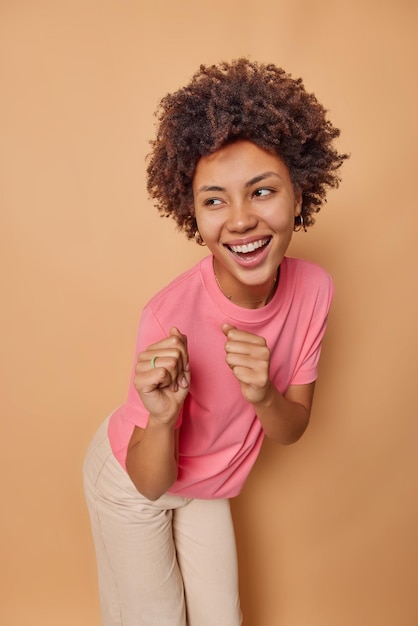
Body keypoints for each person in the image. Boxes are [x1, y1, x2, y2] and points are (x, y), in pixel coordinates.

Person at [83, 58, 347, 626]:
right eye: (215, 199)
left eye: (262, 191)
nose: (242, 220)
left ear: (299, 194)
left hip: (208, 484)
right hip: (136, 477)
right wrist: (161, 417)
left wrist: (263, 396)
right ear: (193, 214)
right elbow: (151, 483)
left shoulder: (315, 290)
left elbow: (292, 427)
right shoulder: (167, 316)